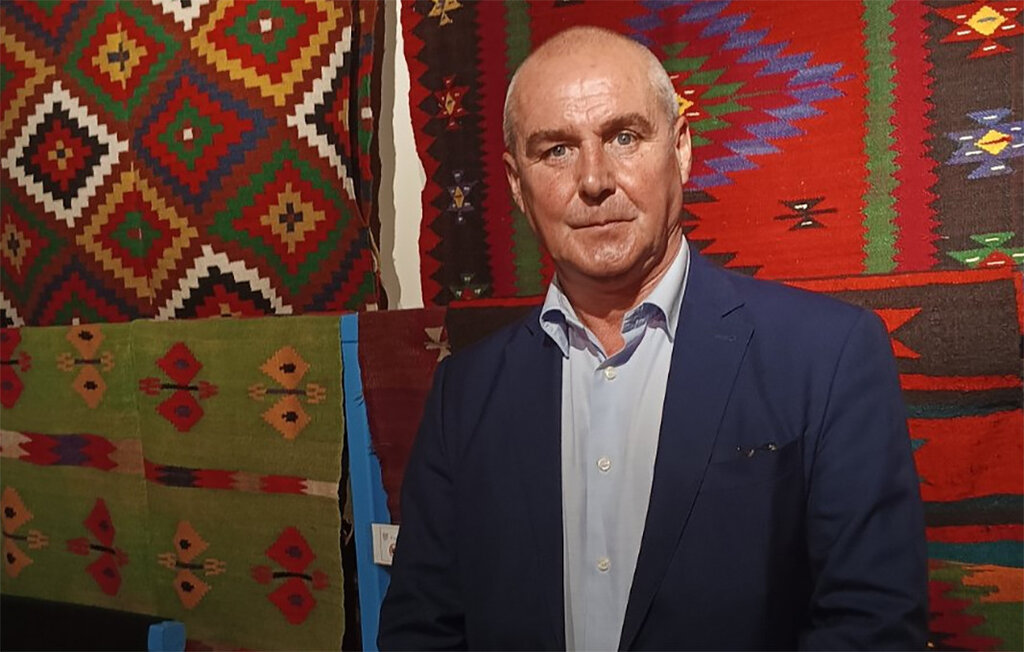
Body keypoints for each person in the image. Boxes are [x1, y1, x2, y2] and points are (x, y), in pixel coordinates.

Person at [378, 26, 927, 651]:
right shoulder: (464, 392)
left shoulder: (827, 356)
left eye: (623, 137)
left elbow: (873, 627)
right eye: (556, 150)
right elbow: (422, 629)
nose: (594, 179)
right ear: (516, 185)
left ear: (681, 149)